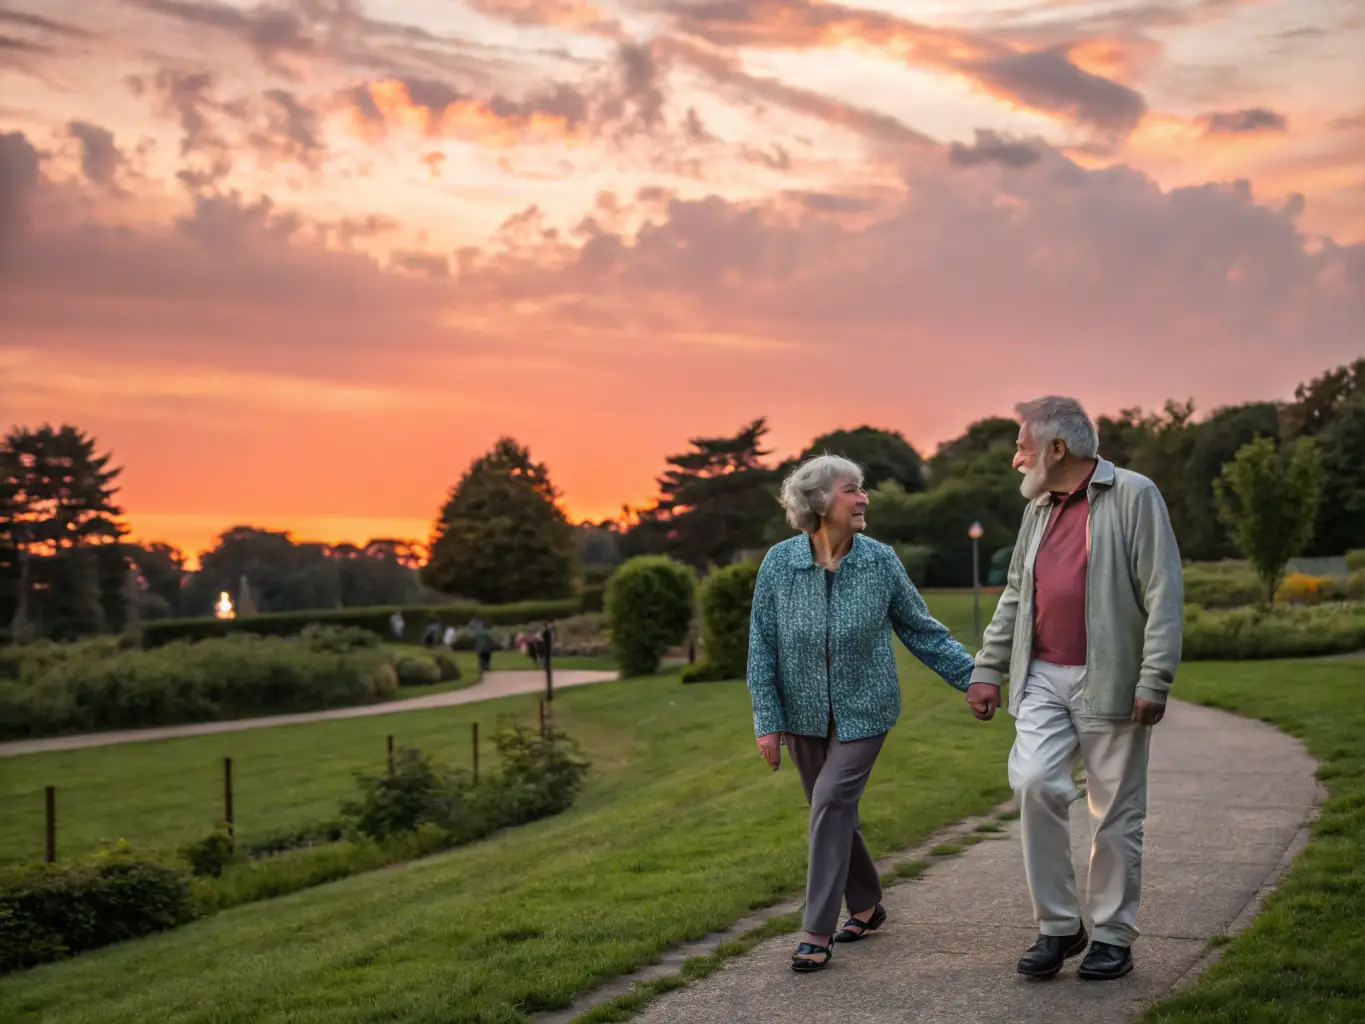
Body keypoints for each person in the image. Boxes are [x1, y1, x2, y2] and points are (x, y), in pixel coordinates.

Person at [964, 396, 1183, 982]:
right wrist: (988, 667)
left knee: (1114, 810)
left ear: (1057, 449)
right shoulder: (1038, 506)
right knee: (1034, 781)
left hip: (1108, 677)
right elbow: (1017, 591)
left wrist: (1154, 677)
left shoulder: (1135, 495)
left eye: (1022, 446)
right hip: (1040, 674)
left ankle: (1112, 934)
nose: (1016, 459)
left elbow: (1163, 591)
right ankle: (1059, 926)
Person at [747, 454, 978, 973]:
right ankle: (868, 906)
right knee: (835, 816)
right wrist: (768, 720)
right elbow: (762, 648)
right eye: (852, 490)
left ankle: (815, 930)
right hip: (801, 715)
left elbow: (921, 629)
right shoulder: (780, 564)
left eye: (862, 489)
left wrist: (974, 677)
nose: (864, 498)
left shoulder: (880, 561)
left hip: (865, 711)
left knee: (829, 802)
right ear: (820, 503)